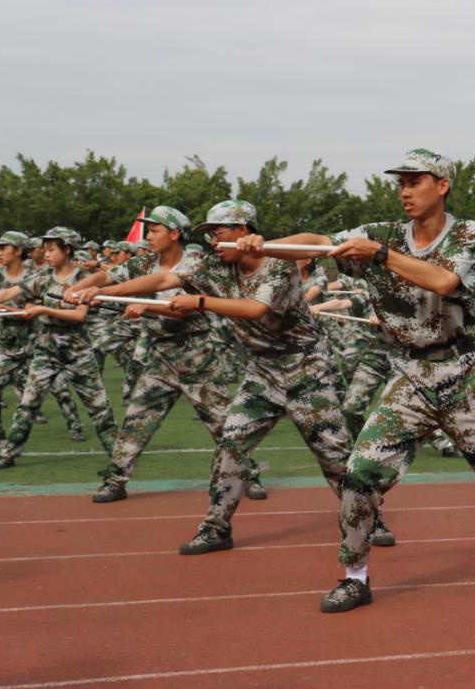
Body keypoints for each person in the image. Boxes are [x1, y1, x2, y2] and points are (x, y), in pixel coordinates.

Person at [243, 148, 475, 613]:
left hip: (465, 375)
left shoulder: (466, 233)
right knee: (359, 474)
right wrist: (264, 245)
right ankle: (354, 576)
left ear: (442, 186)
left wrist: (380, 256)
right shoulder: (379, 233)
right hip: (409, 374)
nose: (404, 190)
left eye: (415, 181)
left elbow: (442, 281)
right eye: (401, 182)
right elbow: (318, 240)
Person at [81, 200, 382, 553]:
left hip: (305, 369)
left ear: (243, 232)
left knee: (333, 457)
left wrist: (200, 303)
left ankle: (368, 519)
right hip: (262, 372)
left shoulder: (278, 265)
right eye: (208, 235)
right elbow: (165, 278)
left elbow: (256, 309)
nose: (212, 242)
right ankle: (216, 527)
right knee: (231, 446)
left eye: (218, 233)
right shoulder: (216, 266)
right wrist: (102, 292)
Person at [66, 207, 261, 503]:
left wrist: (146, 306)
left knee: (223, 423)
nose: (149, 237)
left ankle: (251, 475)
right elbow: (105, 277)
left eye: (155, 231)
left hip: (197, 355)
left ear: (174, 234)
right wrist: (77, 289)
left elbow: (183, 307)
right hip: (161, 355)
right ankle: (115, 480)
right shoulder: (143, 263)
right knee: (137, 419)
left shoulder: (197, 263)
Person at [0, 227, 119, 469]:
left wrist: (44, 309)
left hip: (77, 350)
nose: (46, 254)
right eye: (45, 250)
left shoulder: (82, 279)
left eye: (51, 250)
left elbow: (79, 315)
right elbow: (8, 292)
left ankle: (119, 456)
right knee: (28, 403)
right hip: (47, 349)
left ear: (66, 249)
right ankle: (9, 453)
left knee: (98, 406)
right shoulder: (44, 277)